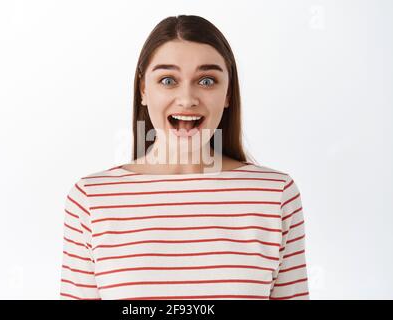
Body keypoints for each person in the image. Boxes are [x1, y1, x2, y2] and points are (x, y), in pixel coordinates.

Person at [59, 14, 310, 300]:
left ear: (228, 93)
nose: (188, 98)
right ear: (143, 90)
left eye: (206, 80)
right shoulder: (91, 199)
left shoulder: (275, 195)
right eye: (168, 80)